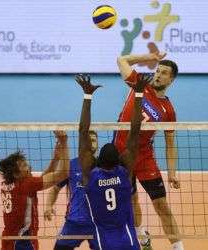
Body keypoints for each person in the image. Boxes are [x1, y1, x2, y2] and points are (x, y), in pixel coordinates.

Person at [115, 52, 183, 250]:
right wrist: (149, 56)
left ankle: (178, 247)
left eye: (164, 73)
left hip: (145, 158)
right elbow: (122, 60)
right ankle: (142, 236)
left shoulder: (168, 110)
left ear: (171, 79)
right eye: (158, 71)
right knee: (131, 199)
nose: (158, 75)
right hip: (121, 155)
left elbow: (170, 143)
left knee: (161, 204)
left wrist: (172, 172)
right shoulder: (139, 84)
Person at [77, 73, 146, 250]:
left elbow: (83, 131)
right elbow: (136, 129)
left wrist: (87, 96)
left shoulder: (89, 173)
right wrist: (138, 94)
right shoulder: (125, 172)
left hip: (102, 238)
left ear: (98, 159)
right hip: (127, 236)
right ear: (120, 159)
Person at [0, 130, 70, 250]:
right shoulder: (26, 184)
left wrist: (55, 159)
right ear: (16, 174)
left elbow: (41, 179)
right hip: (23, 241)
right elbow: (63, 173)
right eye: (25, 166)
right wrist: (64, 142)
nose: (29, 167)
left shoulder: (7, 184)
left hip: (9, 239)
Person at [44, 130, 98, 250]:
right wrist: (48, 205)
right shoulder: (72, 165)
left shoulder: (102, 165)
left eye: (94, 140)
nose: (91, 144)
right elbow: (55, 189)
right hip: (74, 222)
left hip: (97, 223)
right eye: (88, 141)